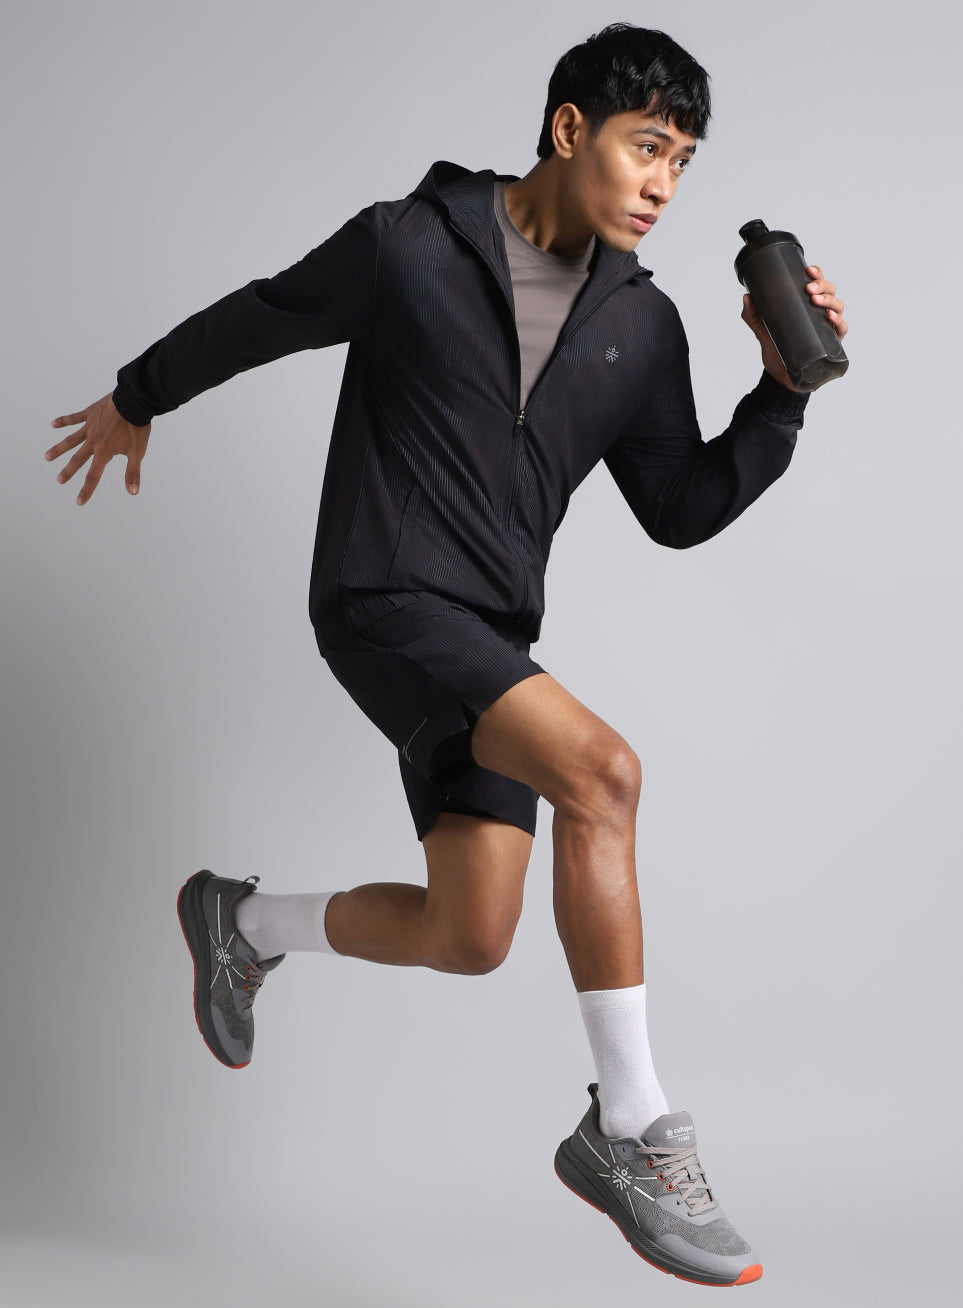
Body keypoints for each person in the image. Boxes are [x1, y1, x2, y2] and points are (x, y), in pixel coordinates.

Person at [45, 23, 847, 1288]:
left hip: (487, 640)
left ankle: (239, 922)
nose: (663, 184)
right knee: (606, 774)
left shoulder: (643, 328)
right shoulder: (410, 245)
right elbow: (264, 316)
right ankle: (631, 1126)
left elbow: (681, 507)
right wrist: (138, 396)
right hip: (379, 596)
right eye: (647, 147)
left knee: (471, 931)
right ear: (570, 128)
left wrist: (781, 396)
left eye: (683, 163)